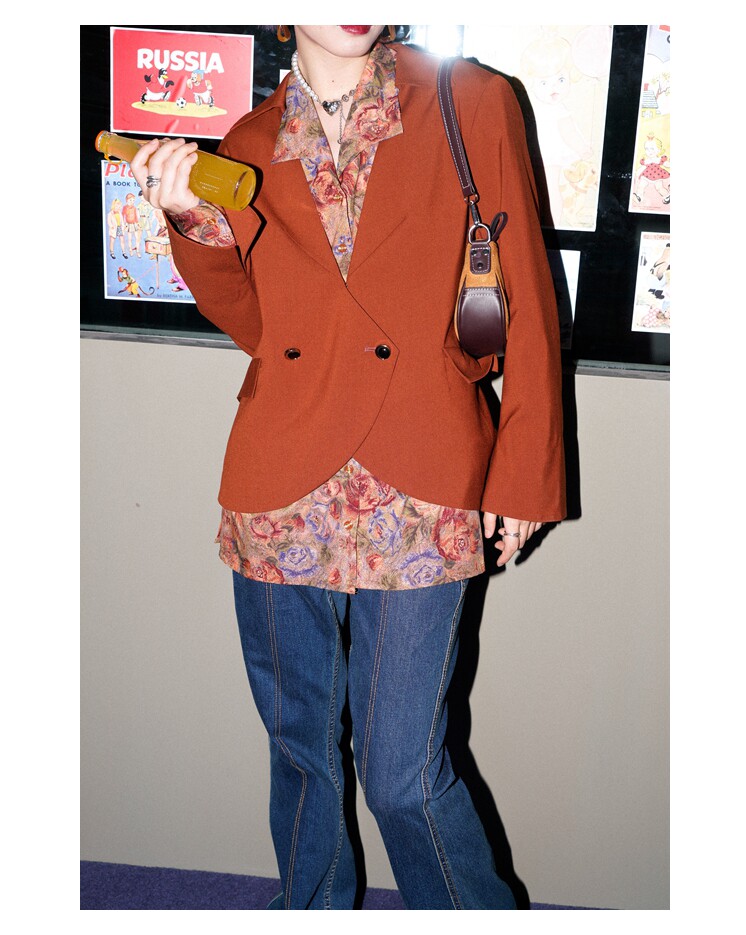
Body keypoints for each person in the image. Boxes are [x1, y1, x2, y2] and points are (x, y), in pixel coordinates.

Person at [130, 24, 566, 911]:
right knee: (299, 750)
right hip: (284, 480)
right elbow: (261, 326)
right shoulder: (250, 142)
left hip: (423, 472)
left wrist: (525, 468)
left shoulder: (470, 102)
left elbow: (527, 291)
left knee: (404, 772)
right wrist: (191, 223)